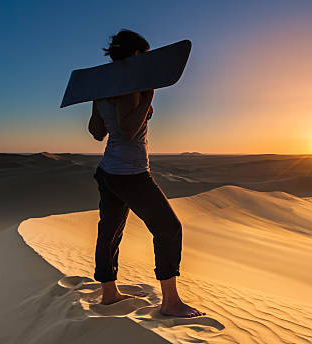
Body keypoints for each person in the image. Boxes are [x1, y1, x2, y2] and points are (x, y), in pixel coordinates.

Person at [87, 29, 204, 318]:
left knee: (109, 231)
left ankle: (109, 294)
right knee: (168, 228)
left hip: (108, 171)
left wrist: (104, 106)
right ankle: (171, 302)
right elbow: (128, 131)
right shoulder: (132, 86)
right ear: (136, 54)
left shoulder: (102, 86)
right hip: (131, 172)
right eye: (146, 54)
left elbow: (96, 133)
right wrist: (149, 94)